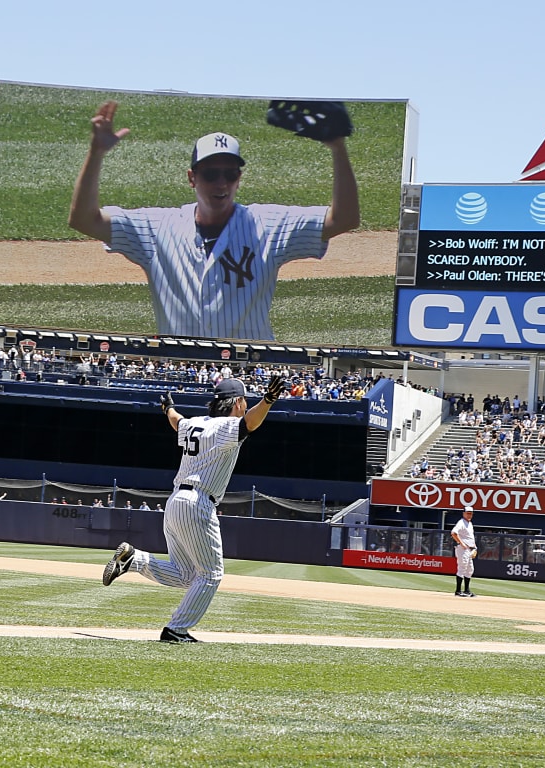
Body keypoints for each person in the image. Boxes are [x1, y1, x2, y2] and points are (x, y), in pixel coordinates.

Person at [67, 100, 359, 340]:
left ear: (239, 179)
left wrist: (337, 146)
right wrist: (96, 153)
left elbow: (343, 219)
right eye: (210, 174)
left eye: (230, 174)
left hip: (249, 374)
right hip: (184, 374)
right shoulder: (157, 229)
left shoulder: (268, 225)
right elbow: (84, 220)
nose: (221, 183)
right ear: (192, 178)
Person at [101, 374, 285, 643]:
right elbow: (249, 424)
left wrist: (168, 408)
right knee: (211, 574)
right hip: (198, 502)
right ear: (236, 402)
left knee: (188, 575)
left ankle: (134, 559)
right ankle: (176, 630)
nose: (246, 405)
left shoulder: (195, 423)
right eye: (244, 400)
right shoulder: (227, 425)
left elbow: (177, 421)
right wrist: (268, 400)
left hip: (176, 501)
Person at [450, 505, 477, 597]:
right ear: (464, 513)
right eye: (468, 513)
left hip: (469, 549)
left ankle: (466, 590)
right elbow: (453, 533)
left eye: (471, 513)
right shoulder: (461, 523)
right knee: (462, 568)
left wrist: (474, 547)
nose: (469, 515)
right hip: (463, 549)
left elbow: (470, 537)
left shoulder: (469, 523)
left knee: (470, 569)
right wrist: (461, 543)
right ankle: (458, 591)